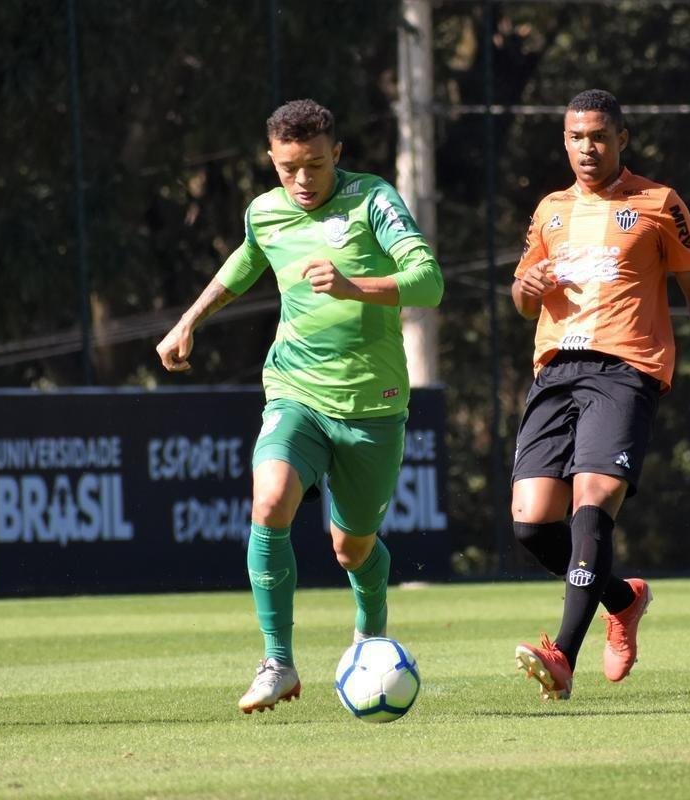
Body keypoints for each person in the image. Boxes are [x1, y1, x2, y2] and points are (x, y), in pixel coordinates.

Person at [156, 99, 443, 714]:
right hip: (296, 391)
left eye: (315, 164)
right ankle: (277, 663)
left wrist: (352, 286)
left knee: (352, 548)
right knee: (269, 500)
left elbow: (429, 281)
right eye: (290, 168)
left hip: (372, 404)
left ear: (336, 153)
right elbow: (247, 259)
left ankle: (370, 633)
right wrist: (189, 322)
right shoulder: (265, 211)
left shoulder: (373, 200)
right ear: (272, 160)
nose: (303, 180)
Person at [510, 89, 690, 701]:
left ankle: (562, 654)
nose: (588, 147)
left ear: (622, 139)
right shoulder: (550, 210)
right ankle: (622, 598)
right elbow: (524, 297)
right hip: (555, 372)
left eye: (599, 136)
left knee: (595, 498)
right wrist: (525, 286)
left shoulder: (659, 204)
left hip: (626, 370)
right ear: (565, 140)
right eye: (577, 137)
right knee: (531, 526)